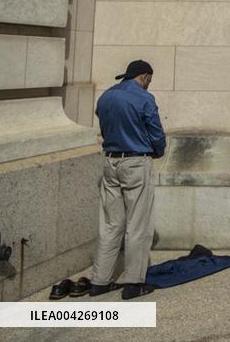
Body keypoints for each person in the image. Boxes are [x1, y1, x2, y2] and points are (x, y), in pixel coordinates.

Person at [90, 60, 166, 301]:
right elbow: (156, 132)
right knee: (138, 224)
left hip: (110, 162)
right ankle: (133, 283)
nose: (148, 85)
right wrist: (158, 150)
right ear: (144, 77)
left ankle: (99, 281)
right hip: (135, 162)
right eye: (149, 80)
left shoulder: (106, 97)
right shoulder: (144, 98)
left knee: (111, 224)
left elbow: (104, 128)